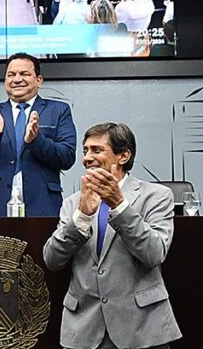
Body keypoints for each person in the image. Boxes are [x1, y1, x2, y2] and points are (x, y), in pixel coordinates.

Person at [43, 122, 182, 349]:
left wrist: (119, 206)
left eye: (96, 150)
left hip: (141, 330)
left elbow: (154, 253)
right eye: (85, 151)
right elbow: (52, 259)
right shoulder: (72, 203)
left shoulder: (156, 196)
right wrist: (81, 217)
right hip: (84, 331)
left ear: (123, 155)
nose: (87, 158)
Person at [0, 53, 76, 217]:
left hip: (43, 208)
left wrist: (36, 140)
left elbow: (67, 157)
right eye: (11, 74)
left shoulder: (58, 110)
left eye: (24, 74)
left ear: (39, 80)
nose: (17, 79)